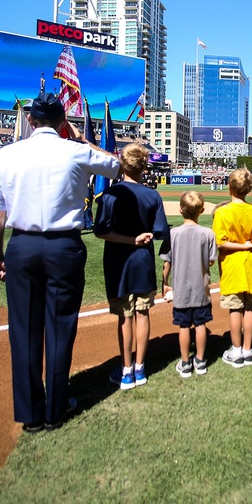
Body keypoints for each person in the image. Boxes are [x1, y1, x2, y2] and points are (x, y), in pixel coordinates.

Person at [0, 92, 120, 433]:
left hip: (22, 246)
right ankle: (56, 410)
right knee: (60, 328)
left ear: (29, 120)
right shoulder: (75, 149)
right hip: (64, 248)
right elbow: (114, 164)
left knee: (24, 332)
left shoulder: (8, 154)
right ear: (62, 121)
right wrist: (81, 137)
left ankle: (31, 415)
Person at [93, 142, 170, 390]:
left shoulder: (110, 195)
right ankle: (140, 367)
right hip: (142, 261)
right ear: (144, 167)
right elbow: (160, 231)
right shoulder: (152, 195)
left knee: (125, 316)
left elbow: (101, 232)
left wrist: (128, 239)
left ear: (122, 165)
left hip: (119, 263)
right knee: (143, 313)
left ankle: (127, 371)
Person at [161, 191, 218, 378]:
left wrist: (165, 283)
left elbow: (166, 262)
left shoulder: (173, 233)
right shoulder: (208, 233)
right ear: (201, 210)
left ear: (180, 210)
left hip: (181, 290)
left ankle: (185, 363)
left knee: (184, 326)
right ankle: (200, 361)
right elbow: (211, 261)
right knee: (200, 324)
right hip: (201, 288)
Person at [213, 168, 252, 368]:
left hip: (232, 263)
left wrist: (241, 245)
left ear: (229, 188)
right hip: (249, 262)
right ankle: (248, 350)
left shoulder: (223, 212)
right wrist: (247, 245)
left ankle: (236, 349)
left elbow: (220, 242)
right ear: (249, 190)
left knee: (235, 308)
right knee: (248, 307)